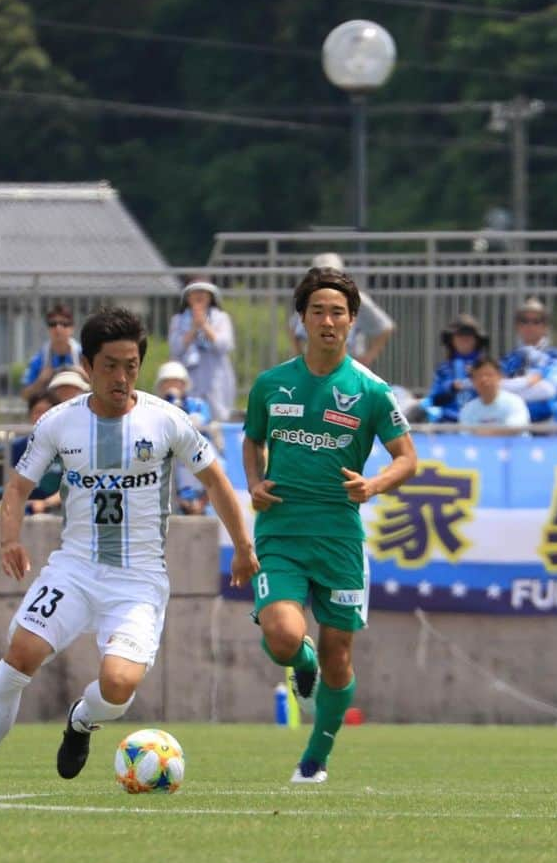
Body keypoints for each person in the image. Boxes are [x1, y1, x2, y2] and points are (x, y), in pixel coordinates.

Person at [0, 307, 258, 795]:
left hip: (138, 580)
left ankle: (81, 720)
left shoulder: (167, 421)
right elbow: (16, 488)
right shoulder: (57, 423)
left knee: (117, 685)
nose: (121, 376)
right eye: (110, 365)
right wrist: (9, 539)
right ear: (88, 366)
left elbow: (216, 481)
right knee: (22, 652)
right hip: (73, 568)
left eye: (131, 365)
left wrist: (242, 545)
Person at [243, 264, 417, 785]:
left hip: (340, 539)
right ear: (301, 319)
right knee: (280, 635)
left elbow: (408, 458)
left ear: (353, 321)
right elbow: (252, 439)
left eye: (337, 312)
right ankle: (302, 658)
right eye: (317, 310)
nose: (327, 320)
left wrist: (374, 486)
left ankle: (315, 758)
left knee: (341, 658)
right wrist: (253, 482)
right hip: (281, 533)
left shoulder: (371, 390)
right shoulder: (271, 385)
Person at [288, 253, 395, 368]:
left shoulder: (357, 298)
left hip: (348, 365)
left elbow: (386, 327)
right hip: (314, 367)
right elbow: (293, 327)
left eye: (337, 312)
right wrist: (299, 356)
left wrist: (368, 357)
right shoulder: (310, 297)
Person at [168, 278, 237, 422]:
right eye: (195, 292)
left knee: (218, 417)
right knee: (187, 416)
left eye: (204, 292)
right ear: (187, 298)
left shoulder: (221, 318)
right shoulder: (178, 320)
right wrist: (193, 328)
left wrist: (205, 326)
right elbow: (175, 348)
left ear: (211, 297)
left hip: (215, 376)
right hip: (188, 375)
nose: (199, 295)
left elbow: (225, 345)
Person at [154, 360, 214, 515]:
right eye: (167, 382)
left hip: (193, 460)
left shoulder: (198, 404)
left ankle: (201, 502)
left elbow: (197, 422)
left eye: (177, 382)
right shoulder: (154, 407)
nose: (172, 386)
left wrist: (177, 403)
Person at [500, 297, 557, 422]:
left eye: (536, 321)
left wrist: (512, 389)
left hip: (545, 424)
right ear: (518, 326)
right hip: (513, 422)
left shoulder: (554, 357)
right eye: (524, 321)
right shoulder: (508, 359)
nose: (530, 325)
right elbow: (496, 388)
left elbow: (548, 390)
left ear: (545, 327)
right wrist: (528, 382)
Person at [424, 313, 489, 423]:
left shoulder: (488, 367)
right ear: (451, 340)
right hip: (449, 421)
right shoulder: (443, 369)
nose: (464, 339)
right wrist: (451, 387)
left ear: (477, 339)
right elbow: (434, 397)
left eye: (469, 335)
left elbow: (497, 392)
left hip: (481, 420)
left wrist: (479, 380)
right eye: (459, 335)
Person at [10, 394, 63, 515]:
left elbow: (71, 487)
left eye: (48, 411)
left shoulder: (68, 446)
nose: (42, 416)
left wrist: (46, 504)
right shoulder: (17, 447)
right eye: (37, 412)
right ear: (30, 415)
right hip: (25, 507)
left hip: (59, 508)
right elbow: (14, 486)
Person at [20, 305, 81, 402]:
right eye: (53, 324)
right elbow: (24, 395)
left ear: (72, 328)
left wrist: (85, 375)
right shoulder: (39, 359)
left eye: (64, 324)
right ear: (48, 328)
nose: (58, 328)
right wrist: (40, 380)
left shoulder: (84, 355)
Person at [458, 354, 531, 434]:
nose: (484, 379)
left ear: (499, 377)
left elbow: (514, 429)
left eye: (489, 375)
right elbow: (465, 439)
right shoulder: (467, 410)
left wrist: (482, 433)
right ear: (472, 381)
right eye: (479, 376)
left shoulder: (515, 402)